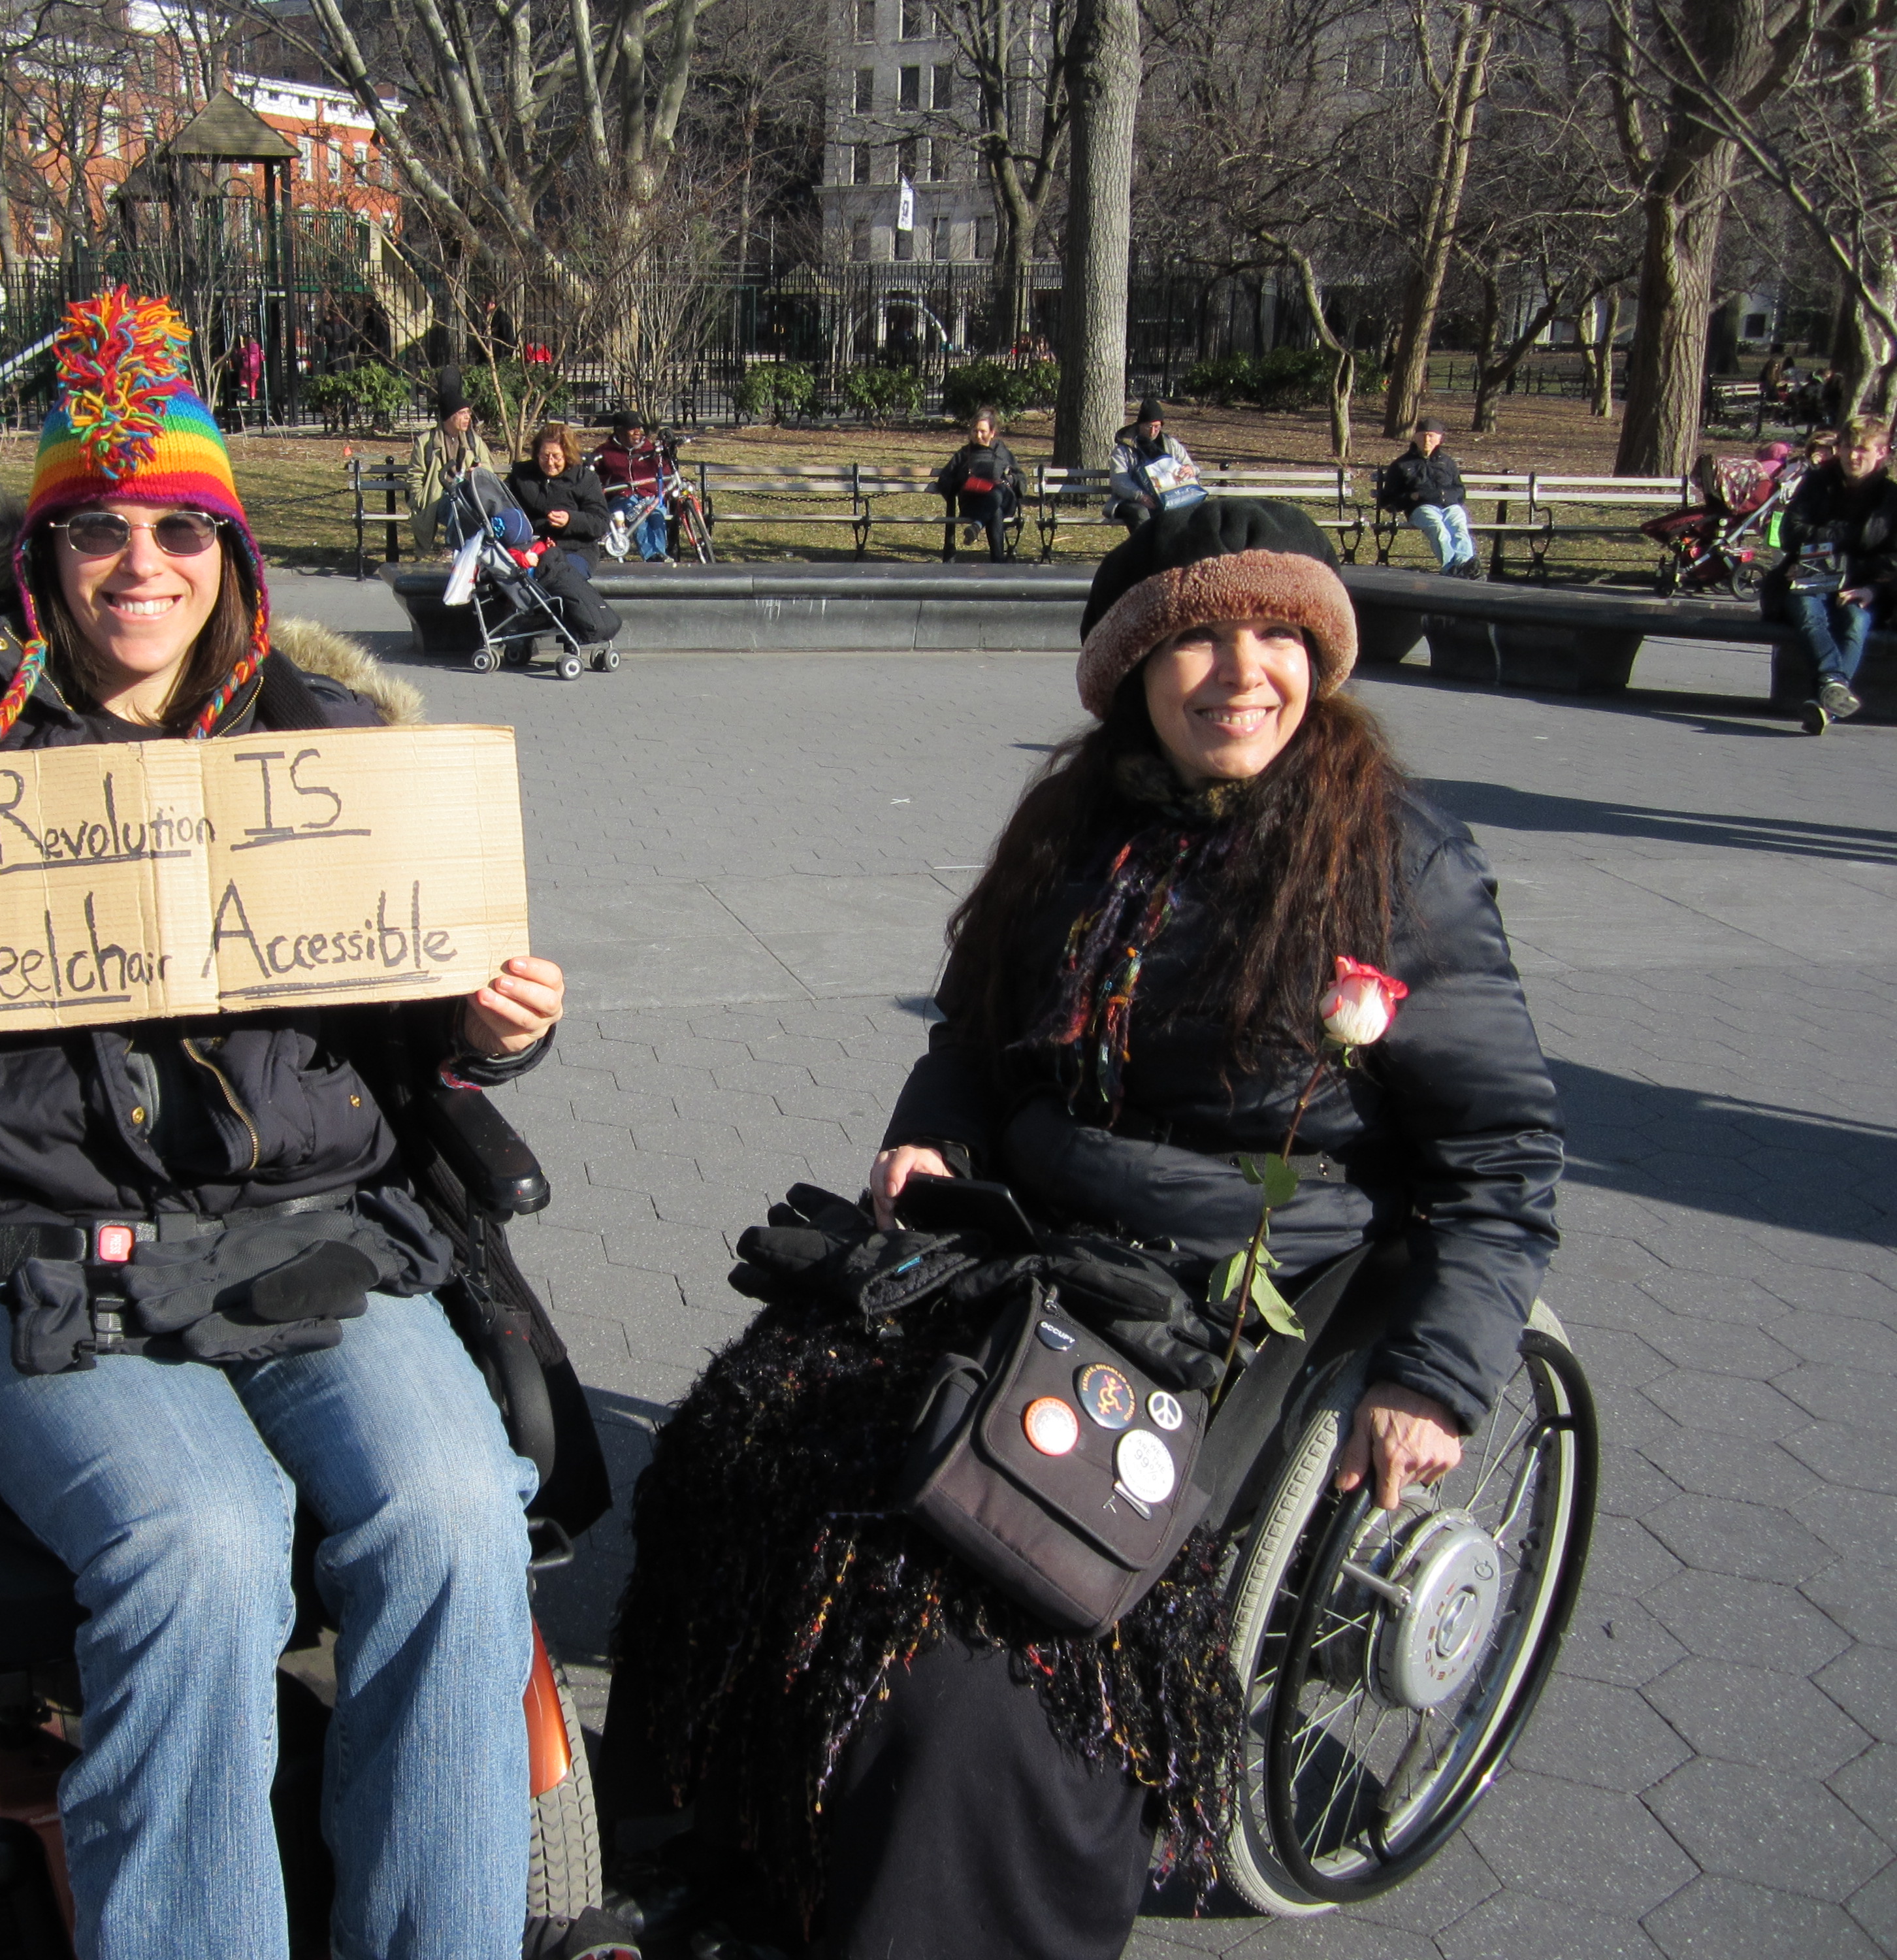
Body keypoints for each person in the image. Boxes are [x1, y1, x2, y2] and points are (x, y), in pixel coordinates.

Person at [0, 290, 568, 1960]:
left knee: (459, 1505)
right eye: (97, 528)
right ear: (41, 552)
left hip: (305, 1226)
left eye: (180, 529)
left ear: (227, 550)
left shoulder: (321, 740)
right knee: (202, 1537)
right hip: (23, 1244)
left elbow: (413, 994)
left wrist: (485, 1026)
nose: (141, 565)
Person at [607, 498, 1563, 1960]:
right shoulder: (1072, 829)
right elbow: (972, 1034)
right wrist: (933, 1130)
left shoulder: (1394, 862)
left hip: (1232, 1301)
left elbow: (1499, 1157)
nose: (1241, 672)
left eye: (1277, 634)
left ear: (1320, 656)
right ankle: (737, 1843)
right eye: (1198, 638)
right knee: (754, 1445)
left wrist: (1433, 1376)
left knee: (982, 1625)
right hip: (1025, 1245)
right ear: (1131, 670)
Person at [1768, 415, 1893, 734]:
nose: (1853, 456)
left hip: (1860, 585)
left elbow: (1892, 557)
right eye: (1848, 447)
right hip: (1806, 577)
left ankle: (1824, 706)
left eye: (1863, 449)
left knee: (1856, 621)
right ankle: (1832, 685)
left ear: (1882, 453)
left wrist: (1873, 590)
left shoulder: (1890, 499)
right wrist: (1846, 536)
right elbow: (1791, 532)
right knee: (1808, 611)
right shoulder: (1816, 484)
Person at [409, 367, 498, 553]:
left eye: (468, 413)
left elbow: (489, 474)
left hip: (469, 497)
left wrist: (478, 473)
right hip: (437, 500)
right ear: (450, 416)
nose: (468, 417)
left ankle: (459, 550)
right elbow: (415, 477)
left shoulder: (474, 442)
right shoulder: (427, 442)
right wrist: (420, 500)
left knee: (464, 505)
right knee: (455, 504)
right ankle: (456, 549)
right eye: (462, 413)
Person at [1379, 417, 1480, 577]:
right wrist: (1411, 497)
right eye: (1422, 436)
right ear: (1415, 437)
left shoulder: (1447, 463)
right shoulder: (1401, 465)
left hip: (1449, 506)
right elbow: (1387, 500)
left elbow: (1460, 490)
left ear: (1440, 439)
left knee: (1459, 527)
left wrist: (1447, 496)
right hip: (1422, 508)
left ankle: (1465, 565)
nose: (1427, 440)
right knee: (1438, 529)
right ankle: (1450, 568)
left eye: (1431, 436)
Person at [508, 421, 610, 576]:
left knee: (560, 576)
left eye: (556, 457)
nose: (550, 463)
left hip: (574, 550)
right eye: (545, 456)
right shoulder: (521, 475)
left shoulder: (585, 479)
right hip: (529, 547)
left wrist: (571, 520)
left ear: (567, 455)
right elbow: (499, 501)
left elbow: (600, 523)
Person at [933, 408, 1027, 561]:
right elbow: (945, 480)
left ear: (992, 433)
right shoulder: (964, 454)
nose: (978, 436)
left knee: (998, 490)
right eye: (975, 431)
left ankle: (977, 526)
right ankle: (997, 563)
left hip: (1005, 501)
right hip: (974, 504)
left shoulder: (1003, 453)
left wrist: (1011, 480)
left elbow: (1022, 481)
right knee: (995, 512)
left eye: (983, 431)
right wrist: (962, 479)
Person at [592, 411, 673, 561]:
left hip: (649, 496)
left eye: (639, 428)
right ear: (619, 430)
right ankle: (652, 557)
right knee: (638, 516)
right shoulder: (605, 452)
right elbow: (592, 477)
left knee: (657, 517)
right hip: (621, 498)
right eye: (632, 429)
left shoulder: (650, 449)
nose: (638, 432)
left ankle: (660, 556)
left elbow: (666, 472)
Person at [1104, 397, 1194, 531]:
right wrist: (1140, 496)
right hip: (1131, 500)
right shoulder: (1123, 449)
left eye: (1157, 427)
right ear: (1140, 424)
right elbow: (1119, 480)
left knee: (1185, 512)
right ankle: (1147, 544)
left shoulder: (1170, 445)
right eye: (1149, 426)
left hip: (1169, 497)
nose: (1152, 432)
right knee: (1141, 513)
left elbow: (1188, 464)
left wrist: (1190, 469)